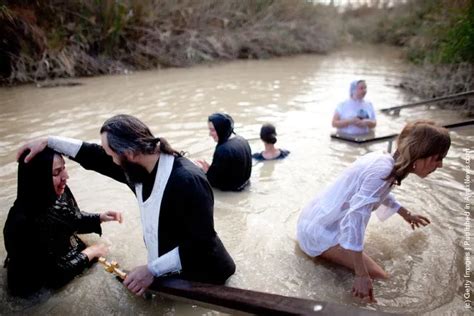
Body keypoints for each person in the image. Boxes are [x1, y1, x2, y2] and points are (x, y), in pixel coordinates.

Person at [17, 114, 236, 296]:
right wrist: (49, 140)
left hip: (207, 278)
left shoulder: (188, 181)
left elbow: (202, 245)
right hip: (170, 274)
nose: (110, 161)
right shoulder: (139, 166)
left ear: (129, 154)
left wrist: (151, 269)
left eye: (112, 155)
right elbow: (94, 156)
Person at [296, 120, 450, 303]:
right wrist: (361, 275)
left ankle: (329, 264)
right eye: (438, 158)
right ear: (420, 153)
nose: (440, 165)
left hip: (314, 218)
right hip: (318, 231)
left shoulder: (385, 161)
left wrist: (405, 213)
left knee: (364, 262)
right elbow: (356, 216)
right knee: (382, 278)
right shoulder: (382, 170)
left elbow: (377, 194)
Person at [4, 148, 122, 297]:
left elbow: (71, 218)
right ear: (37, 178)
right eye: (56, 172)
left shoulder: (58, 191)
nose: (66, 176)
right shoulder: (23, 223)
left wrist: (99, 217)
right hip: (36, 292)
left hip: (63, 259)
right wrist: (91, 252)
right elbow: (54, 278)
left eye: (64, 168)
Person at [196, 113, 252, 191]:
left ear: (221, 129)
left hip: (232, 193)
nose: (210, 134)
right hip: (246, 185)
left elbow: (216, 182)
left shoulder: (223, 149)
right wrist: (211, 169)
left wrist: (206, 171)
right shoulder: (242, 140)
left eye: (212, 130)